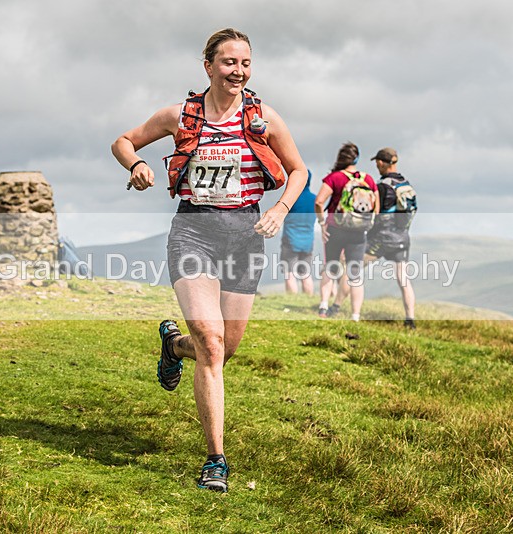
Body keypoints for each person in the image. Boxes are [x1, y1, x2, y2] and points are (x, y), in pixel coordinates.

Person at [111, 28, 307, 493]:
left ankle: (172, 346)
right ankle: (216, 460)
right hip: (193, 230)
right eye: (228, 63)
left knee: (225, 348)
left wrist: (280, 209)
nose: (237, 72)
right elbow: (123, 140)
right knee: (212, 343)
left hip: (245, 234)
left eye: (244, 63)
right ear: (208, 67)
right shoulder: (179, 115)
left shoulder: (263, 119)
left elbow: (298, 170)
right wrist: (135, 165)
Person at [314, 142, 379, 321]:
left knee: (330, 267)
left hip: (335, 229)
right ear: (356, 158)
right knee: (355, 274)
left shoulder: (334, 178)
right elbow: (376, 208)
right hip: (358, 233)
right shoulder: (369, 180)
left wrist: (321, 223)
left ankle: (323, 307)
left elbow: (319, 202)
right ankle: (355, 315)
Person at [365, 147, 417, 329]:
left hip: (381, 237)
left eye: (377, 162)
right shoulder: (406, 184)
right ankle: (410, 319)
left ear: (380, 162)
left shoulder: (383, 186)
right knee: (403, 279)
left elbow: (375, 213)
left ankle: (337, 307)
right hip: (402, 237)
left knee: (351, 266)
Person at [280, 169, 316, 294]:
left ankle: (292, 299)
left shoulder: (292, 198)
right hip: (308, 243)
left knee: (289, 272)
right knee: (305, 273)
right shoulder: (315, 199)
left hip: (291, 240)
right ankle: (308, 298)